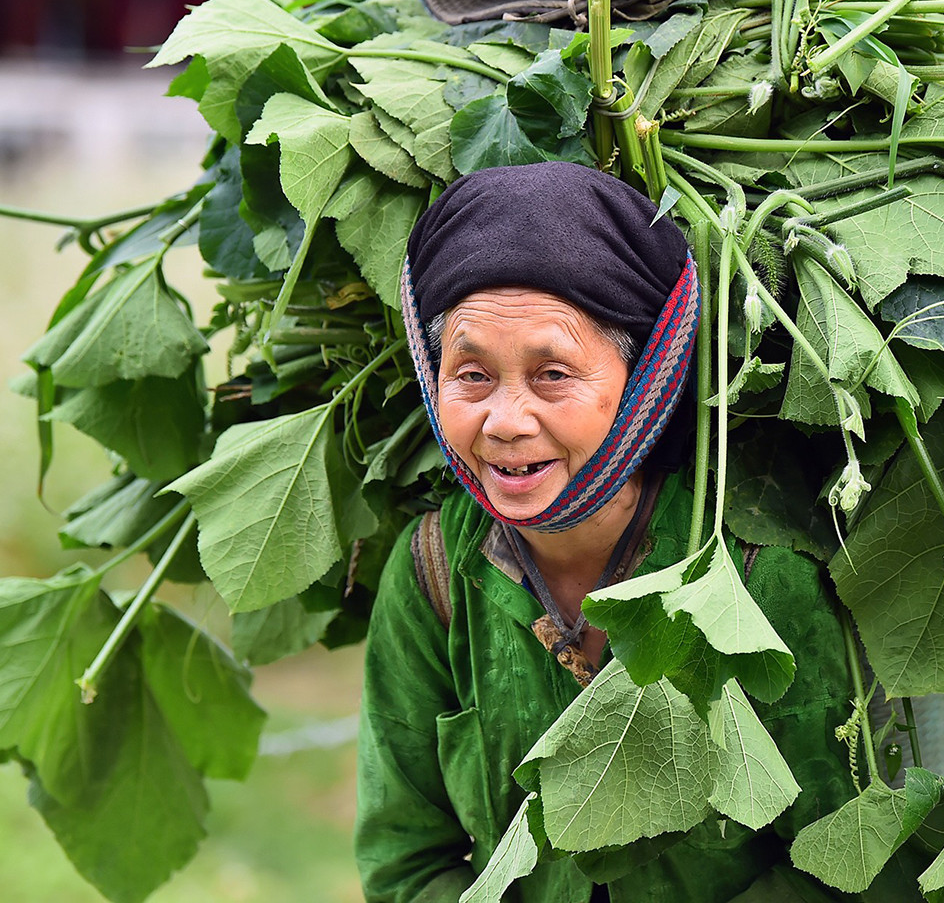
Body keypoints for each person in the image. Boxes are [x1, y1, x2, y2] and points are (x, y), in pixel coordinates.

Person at [355, 161, 867, 903]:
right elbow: (402, 864)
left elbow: (841, 866)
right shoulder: (432, 573)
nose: (504, 422)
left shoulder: (759, 573)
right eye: (470, 374)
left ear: (646, 375)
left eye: (553, 373)